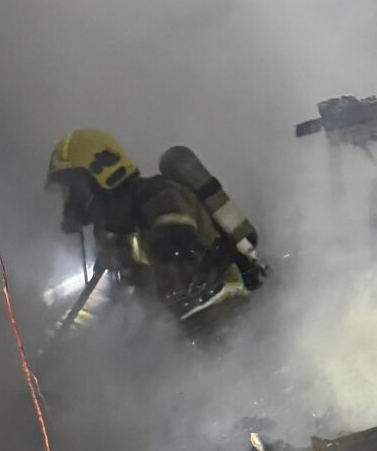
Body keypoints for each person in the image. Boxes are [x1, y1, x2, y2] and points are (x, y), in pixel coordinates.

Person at [45, 129, 263, 326]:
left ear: (94, 176)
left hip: (225, 314)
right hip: (190, 328)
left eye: (72, 187)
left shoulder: (160, 196)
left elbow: (178, 264)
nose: (69, 201)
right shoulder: (116, 231)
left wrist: (124, 256)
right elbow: (124, 302)